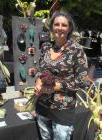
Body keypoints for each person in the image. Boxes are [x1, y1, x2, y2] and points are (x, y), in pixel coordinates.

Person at [34, 10, 88, 140]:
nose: (59, 28)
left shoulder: (76, 51)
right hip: (43, 105)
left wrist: (56, 87)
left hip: (62, 109)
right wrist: (38, 81)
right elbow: (40, 70)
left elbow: (81, 81)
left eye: (64, 25)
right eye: (56, 24)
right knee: (45, 137)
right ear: (51, 26)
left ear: (69, 28)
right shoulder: (46, 47)